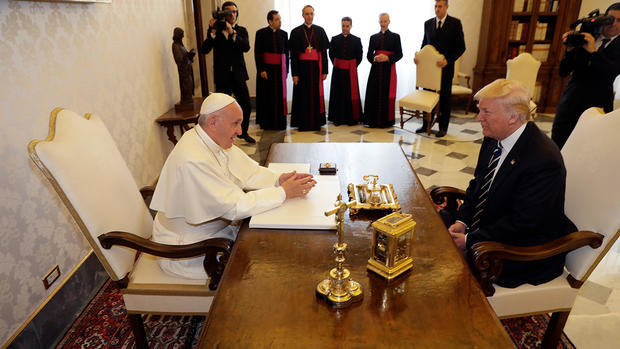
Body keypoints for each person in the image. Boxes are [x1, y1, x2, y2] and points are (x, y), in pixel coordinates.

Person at [150, 93, 317, 279]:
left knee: (275, 244)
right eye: (235, 123)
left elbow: (249, 172)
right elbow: (234, 207)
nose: (240, 130)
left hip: (217, 231)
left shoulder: (209, 139)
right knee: (264, 269)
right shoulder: (193, 159)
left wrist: (279, 180)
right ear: (213, 121)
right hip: (191, 250)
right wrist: (283, 193)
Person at [445, 79, 576, 288]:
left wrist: (469, 240)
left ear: (513, 117)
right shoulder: (494, 137)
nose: (479, 118)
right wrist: (462, 223)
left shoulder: (542, 159)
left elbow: (522, 224)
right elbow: (477, 185)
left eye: (486, 112)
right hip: (491, 227)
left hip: (520, 252)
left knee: (442, 274)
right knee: (429, 230)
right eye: (480, 110)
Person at [551, 2, 620, 149]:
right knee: (557, 146)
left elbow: (612, 71)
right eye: (609, 19)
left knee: (585, 149)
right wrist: (569, 49)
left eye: (619, 21)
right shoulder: (587, 35)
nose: (613, 24)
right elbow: (563, 71)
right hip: (570, 102)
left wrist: (593, 52)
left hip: (597, 106)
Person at [201, 1, 255, 144]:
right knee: (221, 109)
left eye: (235, 12)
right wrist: (212, 33)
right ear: (223, 13)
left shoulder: (241, 30)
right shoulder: (215, 30)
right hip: (222, 76)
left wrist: (232, 33)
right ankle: (223, 135)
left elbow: (246, 47)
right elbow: (204, 49)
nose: (233, 14)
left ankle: (243, 132)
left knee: (246, 105)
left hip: (238, 74)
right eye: (229, 12)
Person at [415, 0, 466, 138]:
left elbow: (461, 47)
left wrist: (447, 60)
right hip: (429, 70)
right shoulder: (427, 23)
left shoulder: (455, 23)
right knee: (427, 96)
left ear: (446, 7)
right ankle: (426, 124)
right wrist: (419, 58)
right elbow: (425, 44)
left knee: (444, 98)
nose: (437, 9)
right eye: (435, 6)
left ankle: (443, 127)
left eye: (440, 6)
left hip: (445, 69)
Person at [289, 5, 329, 131]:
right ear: (302, 15)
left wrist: (325, 71)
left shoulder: (320, 31)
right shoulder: (295, 32)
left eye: (311, 13)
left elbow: (323, 53)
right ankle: (303, 122)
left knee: (315, 94)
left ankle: (316, 122)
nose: (309, 16)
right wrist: (294, 74)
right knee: (302, 95)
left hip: (316, 68)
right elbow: (293, 55)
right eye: (307, 14)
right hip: (302, 69)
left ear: (314, 15)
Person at [363, 13, 403, 128]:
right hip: (375, 70)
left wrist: (388, 58)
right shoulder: (373, 37)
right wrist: (374, 58)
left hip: (388, 70)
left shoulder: (396, 37)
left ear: (389, 22)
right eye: (381, 21)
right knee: (373, 94)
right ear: (379, 22)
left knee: (386, 94)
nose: (383, 24)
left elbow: (400, 54)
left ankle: (386, 121)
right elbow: (369, 55)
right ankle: (372, 121)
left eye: (385, 21)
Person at [254, 10, 289, 130]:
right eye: (277, 19)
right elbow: (258, 53)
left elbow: (286, 53)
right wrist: (261, 69)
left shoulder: (284, 34)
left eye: (280, 19)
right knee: (266, 96)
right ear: (270, 21)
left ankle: (280, 123)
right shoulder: (261, 33)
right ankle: (267, 123)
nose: (280, 21)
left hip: (280, 70)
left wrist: (286, 71)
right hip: (266, 70)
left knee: (279, 96)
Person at [328, 17, 363, 126]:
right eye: (343, 26)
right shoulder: (334, 39)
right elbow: (331, 54)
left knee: (350, 95)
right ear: (341, 25)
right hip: (338, 72)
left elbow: (359, 56)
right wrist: (339, 64)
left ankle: (351, 119)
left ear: (351, 26)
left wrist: (351, 65)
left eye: (347, 26)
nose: (345, 28)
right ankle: (337, 119)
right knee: (337, 94)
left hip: (350, 71)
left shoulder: (357, 40)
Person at [172, 27, 196, 106]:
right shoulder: (175, 46)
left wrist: (190, 55)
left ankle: (188, 98)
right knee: (186, 86)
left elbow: (185, 56)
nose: (182, 37)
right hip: (184, 71)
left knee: (190, 84)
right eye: (181, 35)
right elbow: (179, 59)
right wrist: (188, 55)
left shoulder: (181, 45)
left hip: (187, 70)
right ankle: (186, 99)